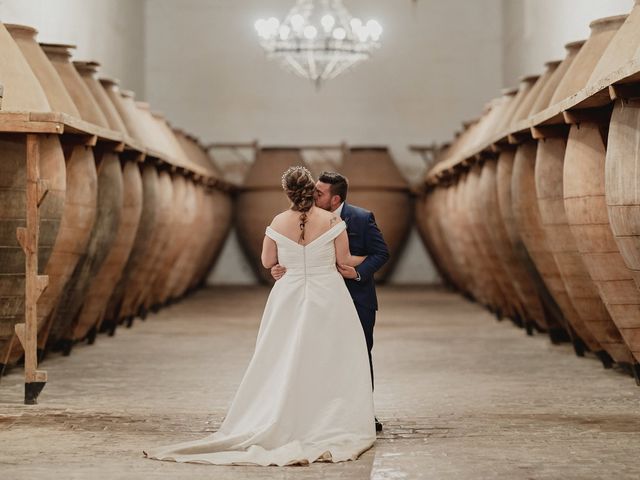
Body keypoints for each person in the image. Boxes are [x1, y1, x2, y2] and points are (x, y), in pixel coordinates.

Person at [144, 166, 375, 466]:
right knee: (329, 357)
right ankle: (325, 418)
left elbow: (268, 260)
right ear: (310, 190)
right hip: (327, 296)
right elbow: (342, 261)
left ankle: (284, 414)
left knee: (282, 357)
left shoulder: (278, 222)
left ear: (288, 192)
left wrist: (282, 266)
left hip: (288, 295)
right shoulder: (332, 220)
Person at [271, 171, 389, 432]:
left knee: (358, 355)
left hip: (357, 298)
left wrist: (358, 272)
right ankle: (320, 412)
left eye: (320, 193)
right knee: (319, 356)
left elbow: (381, 253)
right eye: (313, 189)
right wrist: (279, 268)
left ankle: (364, 413)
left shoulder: (360, 218)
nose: (313, 194)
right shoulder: (302, 219)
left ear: (335, 200)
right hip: (318, 298)